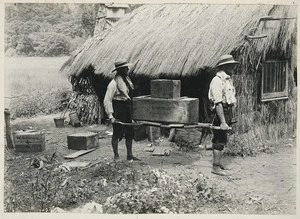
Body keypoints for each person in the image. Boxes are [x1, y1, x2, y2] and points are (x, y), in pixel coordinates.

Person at [104, 59, 140, 161]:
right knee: (117, 133)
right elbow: (107, 100)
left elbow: (128, 94)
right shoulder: (113, 84)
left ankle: (129, 155)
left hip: (127, 108)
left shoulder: (127, 80)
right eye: (126, 68)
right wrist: (111, 116)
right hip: (118, 109)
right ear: (120, 70)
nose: (128, 69)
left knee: (129, 132)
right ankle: (116, 156)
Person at [208, 55, 239, 176]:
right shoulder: (217, 81)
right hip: (220, 112)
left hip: (226, 111)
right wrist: (222, 121)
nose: (233, 67)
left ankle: (218, 162)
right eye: (231, 65)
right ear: (224, 66)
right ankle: (215, 167)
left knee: (222, 137)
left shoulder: (227, 79)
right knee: (219, 138)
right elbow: (218, 103)